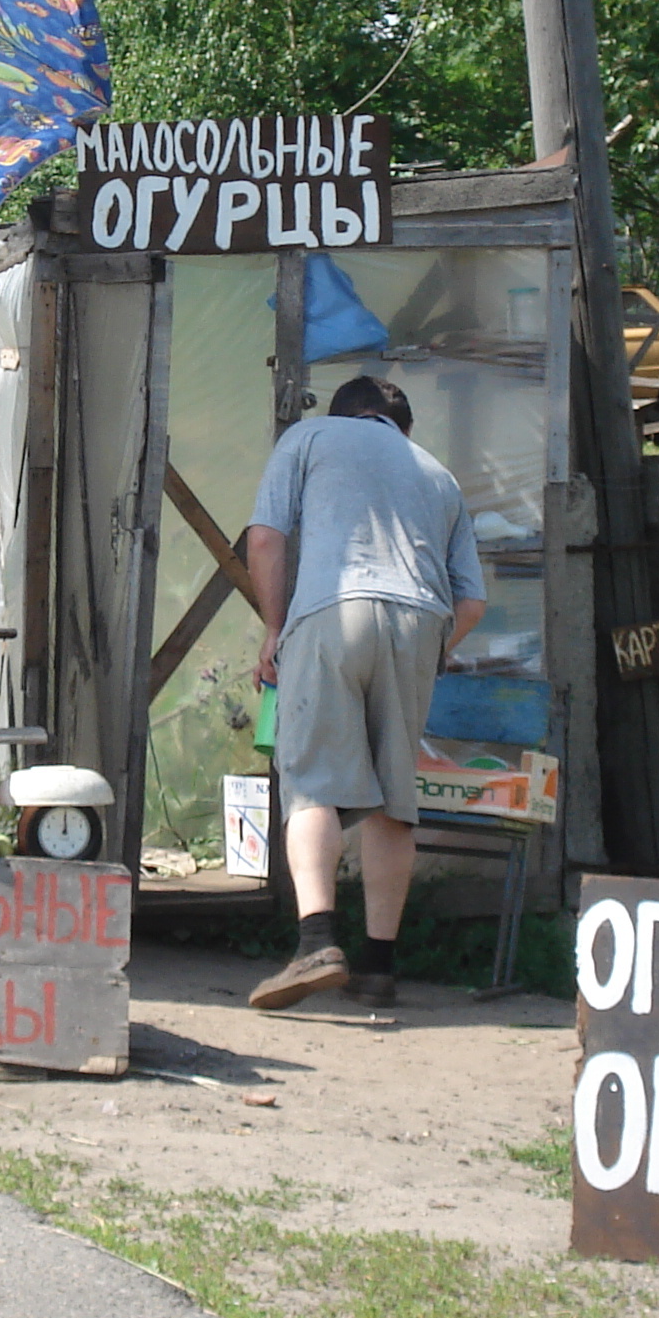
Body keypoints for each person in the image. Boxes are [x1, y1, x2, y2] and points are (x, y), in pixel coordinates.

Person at [240, 375, 485, 1010]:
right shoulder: (437, 473)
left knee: (312, 781)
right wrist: (432, 649)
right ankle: (379, 966)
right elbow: (473, 600)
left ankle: (317, 941)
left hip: (332, 609)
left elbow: (264, 538)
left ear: (347, 414)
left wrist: (274, 630)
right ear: (401, 428)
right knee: (392, 798)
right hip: (421, 621)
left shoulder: (309, 435)